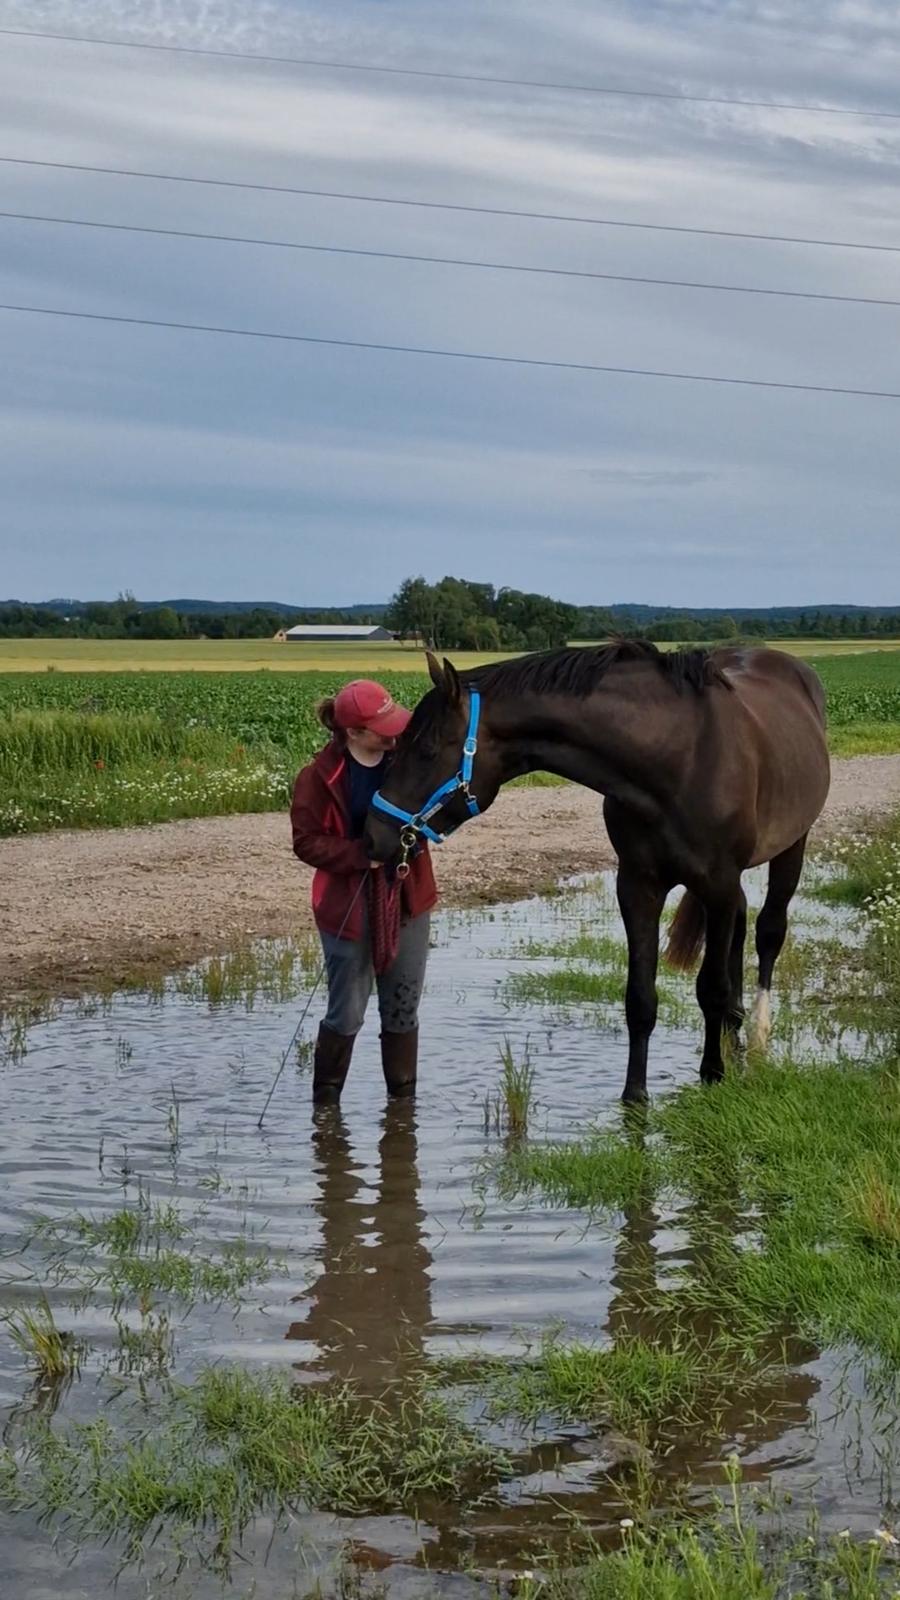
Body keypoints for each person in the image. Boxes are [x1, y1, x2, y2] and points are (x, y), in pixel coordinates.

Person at [290, 679, 437, 1105]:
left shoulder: (409, 762)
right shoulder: (318, 777)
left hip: (409, 898)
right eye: (382, 727)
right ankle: (327, 1108)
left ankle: (402, 1114)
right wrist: (362, 855)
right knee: (347, 1013)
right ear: (353, 732)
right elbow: (306, 842)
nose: (394, 733)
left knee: (403, 1009)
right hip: (345, 907)